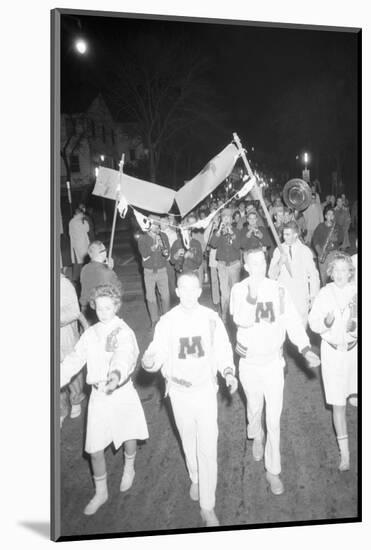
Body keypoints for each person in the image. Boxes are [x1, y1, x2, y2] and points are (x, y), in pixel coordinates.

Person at [142, 272, 238, 527]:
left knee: (208, 447)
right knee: (188, 440)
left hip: (205, 390)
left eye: (193, 288)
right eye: (183, 288)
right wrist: (149, 361)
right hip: (179, 393)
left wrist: (228, 371)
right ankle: (195, 477)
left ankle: (208, 505)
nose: (187, 293)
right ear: (176, 291)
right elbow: (157, 350)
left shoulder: (211, 318)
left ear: (199, 291)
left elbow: (223, 349)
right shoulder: (167, 321)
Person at [230, 248, 320, 495]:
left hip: (273, 364)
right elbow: (241, 320)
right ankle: (255, 435)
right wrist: (252, 295)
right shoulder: (239, 290)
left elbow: (291, 321)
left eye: (262, 262)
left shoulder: (279, 290)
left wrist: (304, 348)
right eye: (253, 264)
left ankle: (273, 470)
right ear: (246, 266)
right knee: (254, 409)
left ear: (266, 263)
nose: (258, 268)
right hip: (249, 364)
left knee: (274, 419)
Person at [60, 285, 149, 515]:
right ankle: (101, 492)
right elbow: (75, 358)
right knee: (94, 448)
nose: (103, 312)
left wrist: (115, 375)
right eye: (99, 308)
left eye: (108, 308)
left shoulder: (123, 331)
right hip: (98, 396)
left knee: (129, 434)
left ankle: (129, 467)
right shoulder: (90, 333)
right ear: (93, 307)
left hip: (120, 392)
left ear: (116, 306)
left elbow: (125, 355)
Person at [308, 253, 357, 470]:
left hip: (355, 354)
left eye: (343, 270)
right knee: (339, 404)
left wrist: (355, 328)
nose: (339, 274)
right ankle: (345, 455)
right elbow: (313, 323)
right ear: (330, 272)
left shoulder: (357, 292)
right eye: (335, 270)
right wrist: (325, 323)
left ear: (350, 272)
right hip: (332, 354)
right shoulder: (324, 294)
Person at [268, 221, 320, 325]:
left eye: (288, 234)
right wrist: (279, 262)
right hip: (284, 297)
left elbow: (314, 276)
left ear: (296, 235)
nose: (284, 237)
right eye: (283, 234)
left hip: (301, 297)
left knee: (301, 331)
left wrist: (313, 296)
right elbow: (271, 275)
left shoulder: (305, 251)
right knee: (284, 331)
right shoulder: (278, 250)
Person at [60, 273, 87, 428]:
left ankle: (76, 397)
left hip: (63, 334)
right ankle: (60, 409)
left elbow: (74, 311)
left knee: (70, 366)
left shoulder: (63, 284)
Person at [209, 208, 243, 322]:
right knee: (225, 294)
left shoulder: (237, 231)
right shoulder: (218, 232)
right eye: (224, 217)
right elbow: (213, 244)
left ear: (232, 219)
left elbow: (238, 246)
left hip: (234, 265)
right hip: (222, 265)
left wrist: (232, 233)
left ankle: (236, 314)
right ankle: (224, 316)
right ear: (221, 219)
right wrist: (219, 231)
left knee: (235, 292)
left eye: (228, 217)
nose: (226, 219)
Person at [137, 215, 170, 328]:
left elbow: (167, 254)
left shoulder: (163, 236)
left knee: (165, 296)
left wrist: (164, 250)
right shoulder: (142, 238)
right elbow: (144, 254)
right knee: (150, 298)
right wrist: (153, 247)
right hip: (149, 271)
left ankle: (166, 319)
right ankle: (154, 320)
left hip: (162, 270)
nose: (158, 227)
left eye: (158, 224)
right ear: (149, 225)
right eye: (155, 225)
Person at [80, 241, 121, 323]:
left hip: (85, 311)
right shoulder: (107, 273)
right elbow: (118, 290)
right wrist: (110, 270)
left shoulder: (84, 269)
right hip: (101, 313)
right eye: (105, 250)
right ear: (103, 253)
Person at [312, 207, 343, 286]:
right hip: (322, 253)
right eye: (329, 214)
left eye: (332, 215)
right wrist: (320, 252)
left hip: (333, 253)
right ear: (325, 216)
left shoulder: (337, 226)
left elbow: (341, 239)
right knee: (323, 276)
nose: (331, 216)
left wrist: (336, 238)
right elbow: (315, 240)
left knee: (335, 275)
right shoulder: (320, 226)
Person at [170, 215, 203, 282]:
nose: (184, 233)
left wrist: (191, 255)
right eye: (182, 231)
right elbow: (172, 261)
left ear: (190, 231)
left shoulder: (196, 243)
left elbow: (200, 261)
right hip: (180, 273)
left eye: (186, 230)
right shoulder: (176, 243)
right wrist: (176, 254)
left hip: (193, 273)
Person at [69, 207, 90, 283]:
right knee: (82, 261)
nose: (82, 215)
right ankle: (80, 277)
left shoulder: (72, 221)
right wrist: (84, 222)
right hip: (81, 244)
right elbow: (87, 229)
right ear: (79, 213)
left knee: (78, 262)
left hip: (77, 244)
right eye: (81, 213)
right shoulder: (78, 221)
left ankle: (76, 278)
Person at [160, 215, 177, 301]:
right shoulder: (158, 233)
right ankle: (165, 299)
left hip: (169, 260)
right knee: (163, 282)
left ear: (167, 223)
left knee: (171, 280)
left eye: (162, 222)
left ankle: (173, 299)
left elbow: (173, 248)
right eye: (160, 222)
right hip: (160, 261)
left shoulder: (172, 233)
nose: (160, 224)